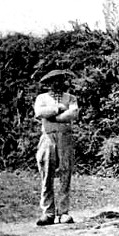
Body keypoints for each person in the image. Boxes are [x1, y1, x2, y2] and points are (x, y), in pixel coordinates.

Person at [33, 69, 79, 226]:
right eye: (53, 81)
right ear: (48, 83)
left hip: (65, 137)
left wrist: (55, 117)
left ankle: (63, 212)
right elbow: (39, 112)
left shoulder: (70, 98)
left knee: (65, 174)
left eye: (60, 80)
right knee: (47, 174)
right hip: (48, 137)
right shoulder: (42, 98)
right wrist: (57, 109)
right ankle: (48, 212)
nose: (57, 83)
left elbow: (73, 113)